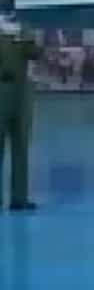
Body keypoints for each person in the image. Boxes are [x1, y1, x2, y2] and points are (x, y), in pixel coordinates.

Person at [0, 12, 41, 211]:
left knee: (21, 144)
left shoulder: (23, 29)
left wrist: (25, 38)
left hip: (22, 91)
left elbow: (35, 53)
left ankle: (19, 197)